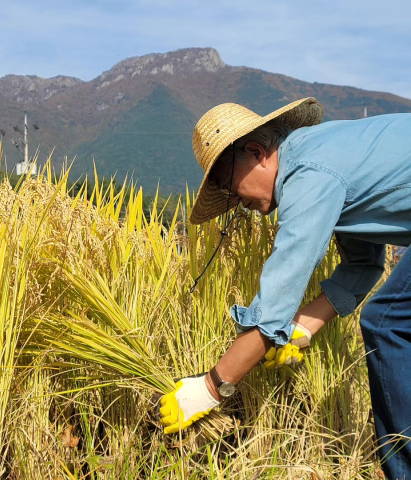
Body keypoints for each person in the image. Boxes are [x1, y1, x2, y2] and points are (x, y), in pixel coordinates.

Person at [158, 98, 411, 479]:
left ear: (257, 153)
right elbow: (362, 265)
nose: (240, 205)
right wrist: (303, 326)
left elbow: (276, 297)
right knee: (387, 319)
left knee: (387, 321)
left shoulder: (308, 173)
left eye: (231, 188)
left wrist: (209, 389)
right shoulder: (325, 159)